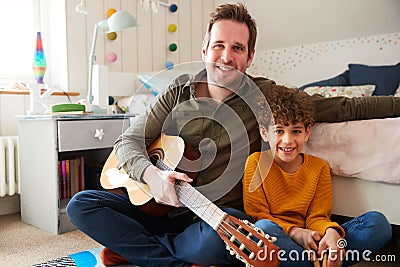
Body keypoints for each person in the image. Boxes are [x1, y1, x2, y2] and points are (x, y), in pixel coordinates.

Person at [67, 3, 398, 267]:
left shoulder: (265, 97)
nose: (226, 56)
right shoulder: (176, 94)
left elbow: (341, 107)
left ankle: (141, 251)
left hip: (215, 220)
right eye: (219, 46)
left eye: (237, 48)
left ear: (249, 57)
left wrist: (395, 104)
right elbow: (129, 141)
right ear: (205, 50)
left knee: (230, 239)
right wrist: (151, 175)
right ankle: (172, 260)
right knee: (82, 204)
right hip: (157, 207)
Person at [242, 85, 392, 267]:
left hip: (314, 241)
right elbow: (258, 216)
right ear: (264, 133)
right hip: (281, 240)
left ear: (307, 133)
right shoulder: (256, 163)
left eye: (296, 131)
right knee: (264, 229)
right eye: (279, 131)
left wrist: (330, 232)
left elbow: (317, 217)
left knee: (378, 223)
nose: (288, 140)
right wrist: (295, 232)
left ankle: (319, 261)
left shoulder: (319, 167)